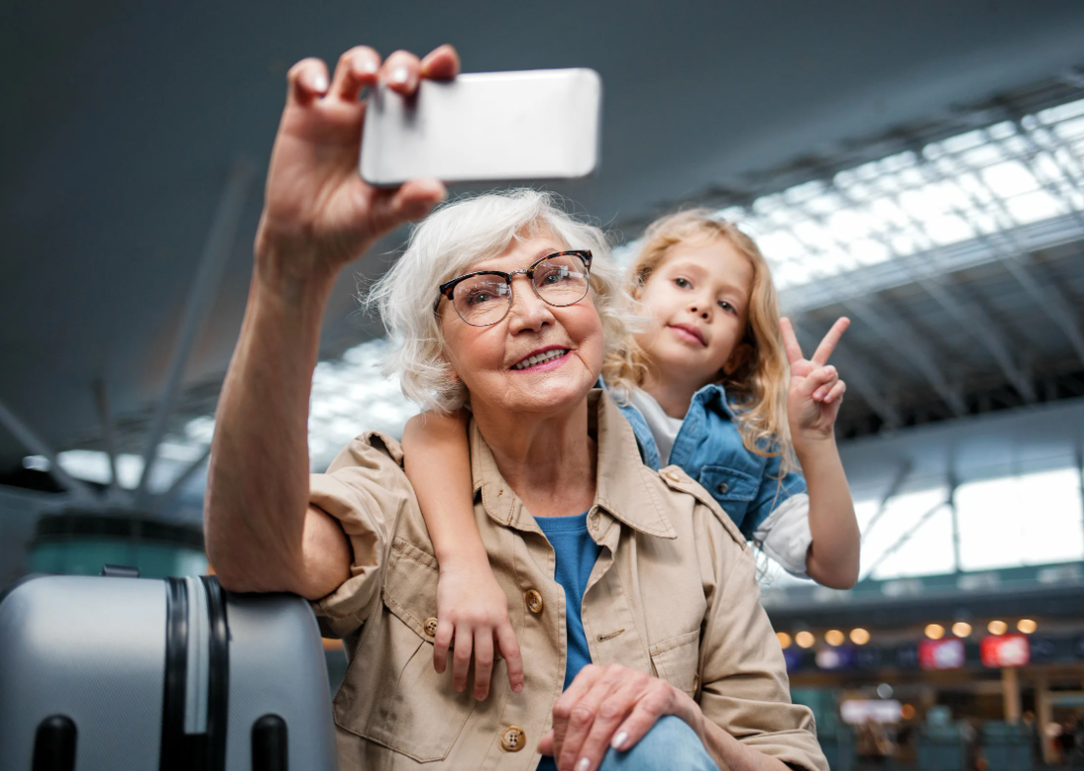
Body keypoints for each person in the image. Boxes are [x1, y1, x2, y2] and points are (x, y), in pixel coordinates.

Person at [203, 42, 829, 771]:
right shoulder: (395, 494)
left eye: (556, 276)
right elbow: (256, 556)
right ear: (442, 355)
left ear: (599, 312)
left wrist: (685, 717)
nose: (531, 311)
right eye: (483, 293)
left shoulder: (700, 532)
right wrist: (289, 275)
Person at [400, 210, 860, 699]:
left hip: (679, 674)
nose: (701, 306)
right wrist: (463, 561)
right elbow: (433, 428)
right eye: (683, 282)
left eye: (727, 305)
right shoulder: (574, 387)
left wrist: (814, 440)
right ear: (633, 293)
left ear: (738, 354)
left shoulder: (750, 445)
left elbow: (836, 566)